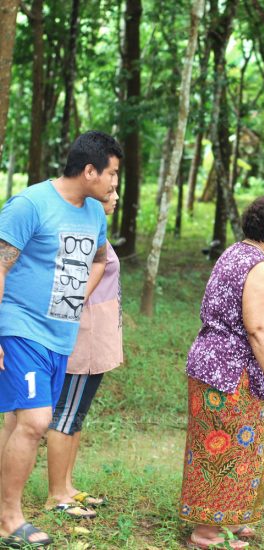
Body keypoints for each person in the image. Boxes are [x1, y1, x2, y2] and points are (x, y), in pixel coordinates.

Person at [0, 130, 121, 548]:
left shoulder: (93, 213)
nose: (113, 185)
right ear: (89, 171)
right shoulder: (30, 204)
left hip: (59, 335)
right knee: (35, 423)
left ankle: (3, 506)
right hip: (21, 327)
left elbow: (101, 260)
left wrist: (75, 298)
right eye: (111, 175)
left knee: (18, 421)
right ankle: (9, 520)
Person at [179, 193, 264, 550]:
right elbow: (257, 328)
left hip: (214, 366)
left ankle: (231, 517)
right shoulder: (258, 267)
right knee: (224, 449)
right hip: (231, 373)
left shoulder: (235, 253)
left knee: (240, 447)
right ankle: (206, 533)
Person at [44, 187, 123, 519]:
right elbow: (70, 292)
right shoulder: (82, 236)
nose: (116, 195)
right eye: (110, 189)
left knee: (76, 416)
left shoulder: (96, 233)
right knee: (65, 416)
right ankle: (56, 495)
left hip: (97, 338)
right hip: (83, 339)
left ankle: (68, 486)